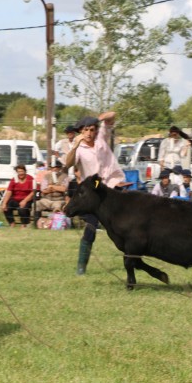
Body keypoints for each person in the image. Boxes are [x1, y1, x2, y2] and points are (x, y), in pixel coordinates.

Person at [62, 112, 125, 275]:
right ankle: (81, 267)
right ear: (81, 132)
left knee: (124, 224)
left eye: (92, 130)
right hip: (93, 193)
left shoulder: (101, 137)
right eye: (86, 130)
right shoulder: (78, 149)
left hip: (112, 185)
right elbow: (67, 164)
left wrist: (98, 119)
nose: (90, 133)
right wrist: (75, 146)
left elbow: (113, 115)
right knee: (90, 227)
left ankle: (134, 257)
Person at [0, 164, 34, 228]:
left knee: (22, 208)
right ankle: (11, 223)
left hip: (26, 199)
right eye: (19, 172)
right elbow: (9, 191)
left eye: (22, 171)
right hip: (15, 199)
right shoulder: (14, 180)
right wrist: (4, 203)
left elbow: (33, 192)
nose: (20, 173)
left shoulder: (30, 178)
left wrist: (25, 200)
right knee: (6, 207)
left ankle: (24, 224)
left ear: (25, 171)